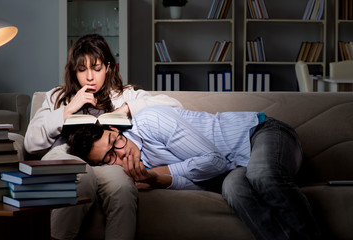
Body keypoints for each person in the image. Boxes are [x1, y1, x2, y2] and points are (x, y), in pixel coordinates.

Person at [67, 105, 322, 240]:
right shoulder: (136, 174)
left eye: (115, 142)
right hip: (234, 169)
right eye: (109, 157)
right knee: (233, 188)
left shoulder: (150, 120)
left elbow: (214, 160)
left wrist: (161, 172)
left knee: (261, 175)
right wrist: (156, 179)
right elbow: (208, 179)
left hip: (262, 132)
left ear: (115, 128)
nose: (120, 154)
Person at [24, 34, 183, 240]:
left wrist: (128, 108)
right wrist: (69, 109)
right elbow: (30, 142)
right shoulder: (57, 96)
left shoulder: (124, 94)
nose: (90, 77)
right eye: (82, 70)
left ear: (108, 67)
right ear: (74, 71)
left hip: (107, 161)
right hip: (67, 154)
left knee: (123, 186)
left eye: (96, 69)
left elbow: (175, 106)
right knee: (81, 176)